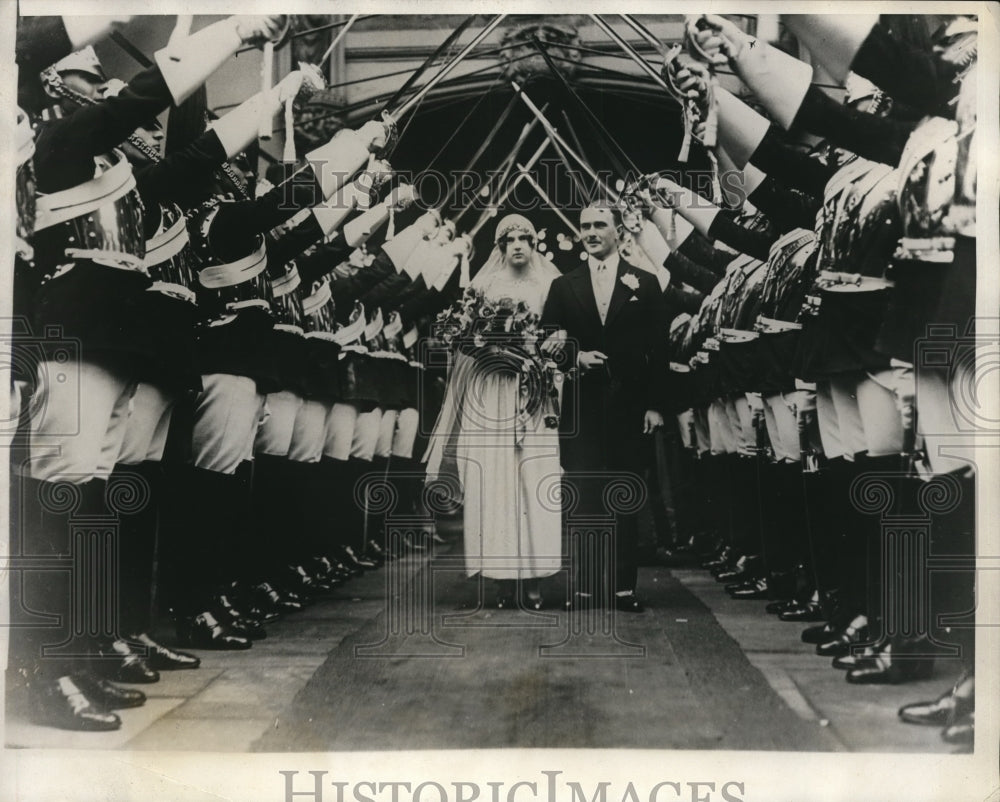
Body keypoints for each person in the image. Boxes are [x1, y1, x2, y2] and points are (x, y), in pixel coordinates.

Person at [425, 214, 562, 609]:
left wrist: (539, 354)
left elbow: (561, 333)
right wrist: (491, 350)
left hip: (534, 393)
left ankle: (535, 580)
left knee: (533, 477)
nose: (518, 244)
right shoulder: (482, 287)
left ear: (534, 244)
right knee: (496, 480)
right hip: (491, 391)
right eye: (509, 239)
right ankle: (503, 579)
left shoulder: (551, 286)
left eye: (525, 238)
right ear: (499, 247)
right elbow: (463, 341)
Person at [541, 204, 667, 612]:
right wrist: (574, 357)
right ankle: (584, 587)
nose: (591, 232)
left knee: (624, 496)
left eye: (599, 225)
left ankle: (623, 589)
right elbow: (545, 341)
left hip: (629, 406)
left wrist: (655, 405)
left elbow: (659, 350)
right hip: (583, 408)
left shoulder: (645, 284)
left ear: (617, 232)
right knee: (584, 496)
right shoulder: (564, 286)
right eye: (585, 227)